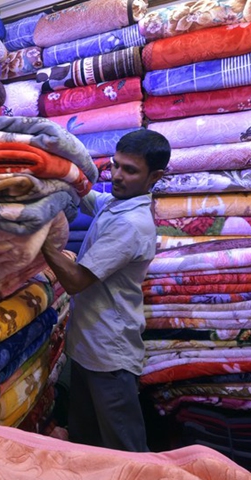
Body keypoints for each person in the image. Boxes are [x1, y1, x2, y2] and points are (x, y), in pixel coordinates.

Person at [40, 129, 170, 452]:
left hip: (109, 356)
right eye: (115, 165)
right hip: (88, 347)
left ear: (155, 176)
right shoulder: (118, 203)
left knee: (126, 450)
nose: (118, 176)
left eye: (130, 170)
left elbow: (74, 281)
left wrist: (39, 235)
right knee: (87, 443)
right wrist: (65, 169)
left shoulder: (132, 224)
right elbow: (91, 198)